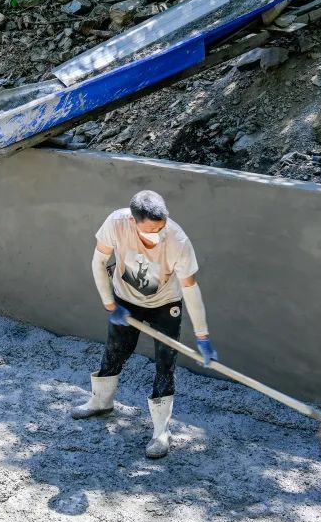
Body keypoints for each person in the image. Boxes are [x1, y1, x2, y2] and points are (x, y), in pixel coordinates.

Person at [71, 190, 218, 460]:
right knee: (115, 351)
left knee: (165, 363)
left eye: (161, 227)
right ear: (132, 221)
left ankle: (161, 431)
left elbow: (191, 289)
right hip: (125, 299)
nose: (158, 234)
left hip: (165, 303)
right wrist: (109, 304)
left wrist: (202, 336)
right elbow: (98, 261)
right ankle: (101, 402)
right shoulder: (116, 223)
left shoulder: (177, 240)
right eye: (151, 230)